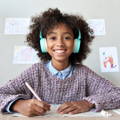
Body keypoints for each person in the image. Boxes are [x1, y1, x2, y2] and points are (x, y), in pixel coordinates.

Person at [0, 8, 120, 117]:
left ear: (76, 44)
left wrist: (87, 103)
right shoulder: (35, 72)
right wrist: (17, 104)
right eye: (53, 38)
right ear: (43, 43)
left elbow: (117, 94)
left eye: (67, 38)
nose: (60, 43)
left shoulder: (84, 74)